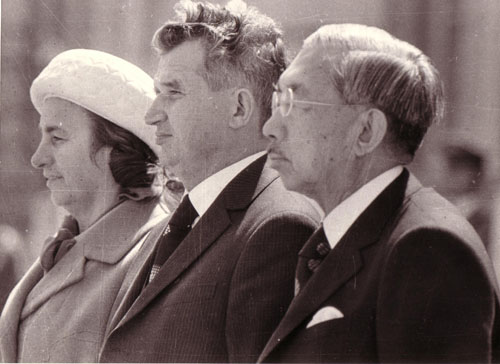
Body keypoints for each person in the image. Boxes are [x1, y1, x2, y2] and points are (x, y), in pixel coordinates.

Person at [258, 24, 500, 363]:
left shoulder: (426, 249)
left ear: (366, 131)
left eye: (294, 101)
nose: (270, 126)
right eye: (276, 100)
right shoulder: (356, 236)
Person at [99, 1, 320, 362]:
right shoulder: (178, 222)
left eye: (173, 92)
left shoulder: (279, 227)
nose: (152, 113)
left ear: (239, 109)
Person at [0, 49, 172, 362]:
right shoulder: (65, 246)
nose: (37, 159)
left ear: (114, 148)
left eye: (57, 138)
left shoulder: (154, 256)